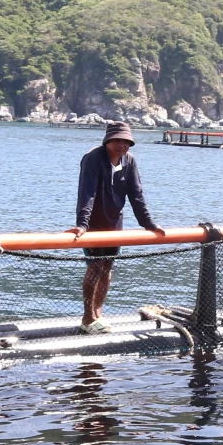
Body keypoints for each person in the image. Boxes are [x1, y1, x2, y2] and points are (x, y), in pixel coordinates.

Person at [69, 120, 161, 333]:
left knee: (107, 268)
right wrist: (82, 224)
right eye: (117, 140)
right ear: (107, 141)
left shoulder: (129, 161)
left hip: (114, 223)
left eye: (126, 142)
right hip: (93, 223)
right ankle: (87, 318)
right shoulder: (93, 158)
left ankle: (98, 314)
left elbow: (136, 195)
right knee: (95, 266)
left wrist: (148, 223)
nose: (122, 145)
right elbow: (87, 193)